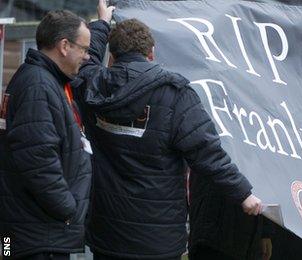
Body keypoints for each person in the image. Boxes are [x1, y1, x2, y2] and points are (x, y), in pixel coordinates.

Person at [71, 8, 263, 260]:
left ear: (112, 58)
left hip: (108, 234)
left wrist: (102, 24)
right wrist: (244, 194)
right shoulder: (176, 94)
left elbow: (88, 62)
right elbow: (207, 153)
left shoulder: (92, 85)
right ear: (151, 53)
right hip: (158, 241)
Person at [0, 2, 112, 259]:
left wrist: (102, 23)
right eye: (83, 49)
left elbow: (88, 60)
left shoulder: (47, 78)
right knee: (5, 250)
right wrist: (68, 209)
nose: (86, 56)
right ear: (64, 46)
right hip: (36, 237)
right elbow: (36, 158)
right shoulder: (38, 86)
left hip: (28, 231)